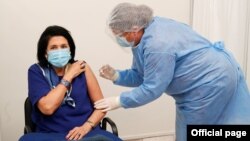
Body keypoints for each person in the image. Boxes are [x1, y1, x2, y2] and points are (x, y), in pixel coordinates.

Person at [94, 2, 250, 141]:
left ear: (133, 30)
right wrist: (117, 76)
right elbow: (143, 75)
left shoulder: (157, 45)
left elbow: (152, 88)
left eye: (120, 35)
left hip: (209, 82)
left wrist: (118, 101)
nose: (118, 39)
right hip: (213, 75)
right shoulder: (147, 32)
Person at [19, 25, 122, 141]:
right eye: (53, 48)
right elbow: (47, 108)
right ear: (45, 53)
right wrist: (69, 75)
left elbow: (101, 106)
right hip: (49, 135)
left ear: (70, 50)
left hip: (86, 134)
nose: (59, 51)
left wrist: (86, 127)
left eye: (63, 47)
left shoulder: (83, 67)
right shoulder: (36, 71)